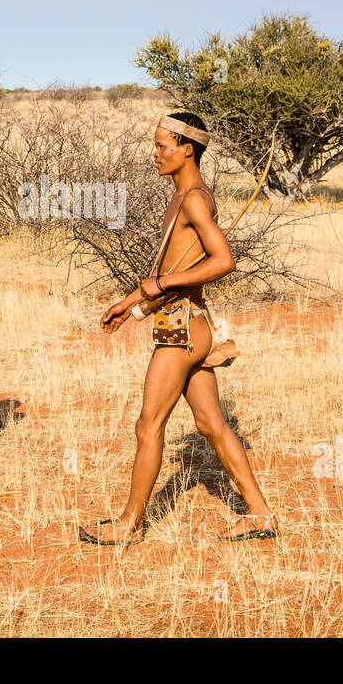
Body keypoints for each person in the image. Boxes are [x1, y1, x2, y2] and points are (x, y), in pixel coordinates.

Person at [81, 113, 278, 545]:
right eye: (155, 146)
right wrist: (129, 302)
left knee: (147, 426)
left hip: (182, 330)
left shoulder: (193, 199)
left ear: (187, 149)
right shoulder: (184, 195)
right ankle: (260, 515)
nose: (155, 154)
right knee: (211, 424)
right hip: (192, 323)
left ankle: (128, 525)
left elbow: (223, 261)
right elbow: (173, 266)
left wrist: (161, 285)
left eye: (162, 146)